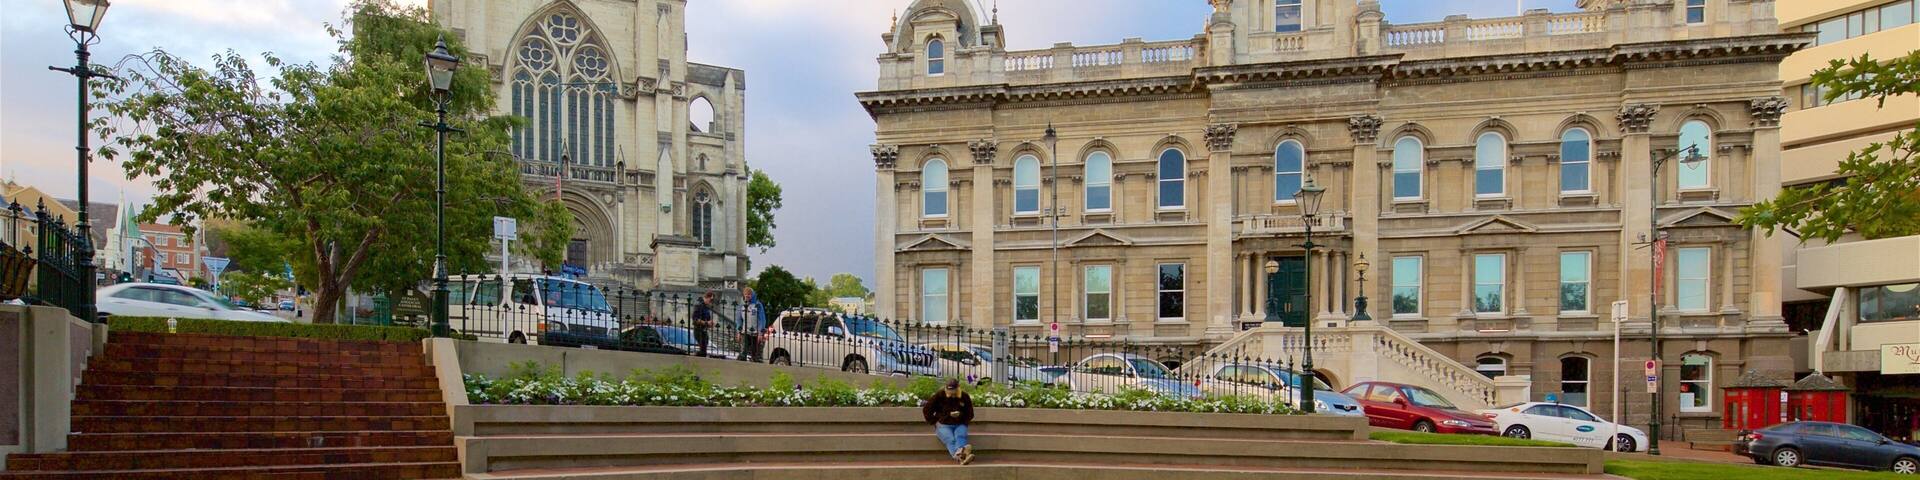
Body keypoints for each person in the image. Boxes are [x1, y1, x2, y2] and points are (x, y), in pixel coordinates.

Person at [921, 378, 975, 465]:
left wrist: (961, 415)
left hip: (960, 424)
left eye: (954, 393)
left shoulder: (964, 396)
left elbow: (970, 414)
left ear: (958, 388)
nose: (952, 395)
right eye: (950, 393)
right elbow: (927, 409)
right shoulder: (939, 395)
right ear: (946, 389)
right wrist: (934, 421)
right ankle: (963, 456)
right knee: (950, 439)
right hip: (943, 424)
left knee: (961, 435)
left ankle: (961, 457)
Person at [737, 286, 767, 362]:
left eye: (749, 294)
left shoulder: (758, 305)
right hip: (745, 332)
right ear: (743, 295)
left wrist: (760, 333)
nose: (747, 296)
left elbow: (762, 319)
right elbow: (739, 320)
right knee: (743, 353)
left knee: (755, 354)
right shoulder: (741, 305)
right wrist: (738, 332)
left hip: (755, 333)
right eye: (746, 294)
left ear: (752, 295)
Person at [691, 291, 716, 358]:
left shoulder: (707, 308)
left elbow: (707, 320)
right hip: (698, 330)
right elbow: (695, 319)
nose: (711, 301)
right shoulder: (698, 306)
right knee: (703, 348)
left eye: (712, 300)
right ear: (706, 298)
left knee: (705, 346)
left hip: (704, 330)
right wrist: (706, 323)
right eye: (710, 299)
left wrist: (710, 324)